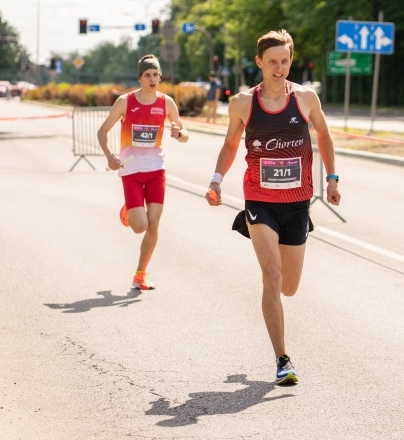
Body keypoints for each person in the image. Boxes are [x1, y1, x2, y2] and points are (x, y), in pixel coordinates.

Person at [205, 30, 341, 385]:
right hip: (260, 201)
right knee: (273, 276)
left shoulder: (307, 99)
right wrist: (217, 179)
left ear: (290, 61)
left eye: (284, 61)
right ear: (260, 63)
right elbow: (231, 144)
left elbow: (324, 136)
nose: (278, 68)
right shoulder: (243, 103)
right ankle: (283, 359)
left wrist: (332, 178)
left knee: (290, 287)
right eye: (272, 62)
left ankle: (275, 308)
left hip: (297, 203)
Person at [98, 54, 189, 290]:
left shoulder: (166, 103)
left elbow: (184, 132)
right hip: (131, 171)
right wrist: (110, 156)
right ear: (140, 78)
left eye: (156, 74)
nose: (152, 79)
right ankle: (130, 207)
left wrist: (179, 134)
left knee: (154, 224)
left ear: (160, 76)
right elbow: (102, 131)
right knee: (140, 226)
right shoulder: (125, 102)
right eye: (147, 75)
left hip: (156, 169)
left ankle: (140, 274)